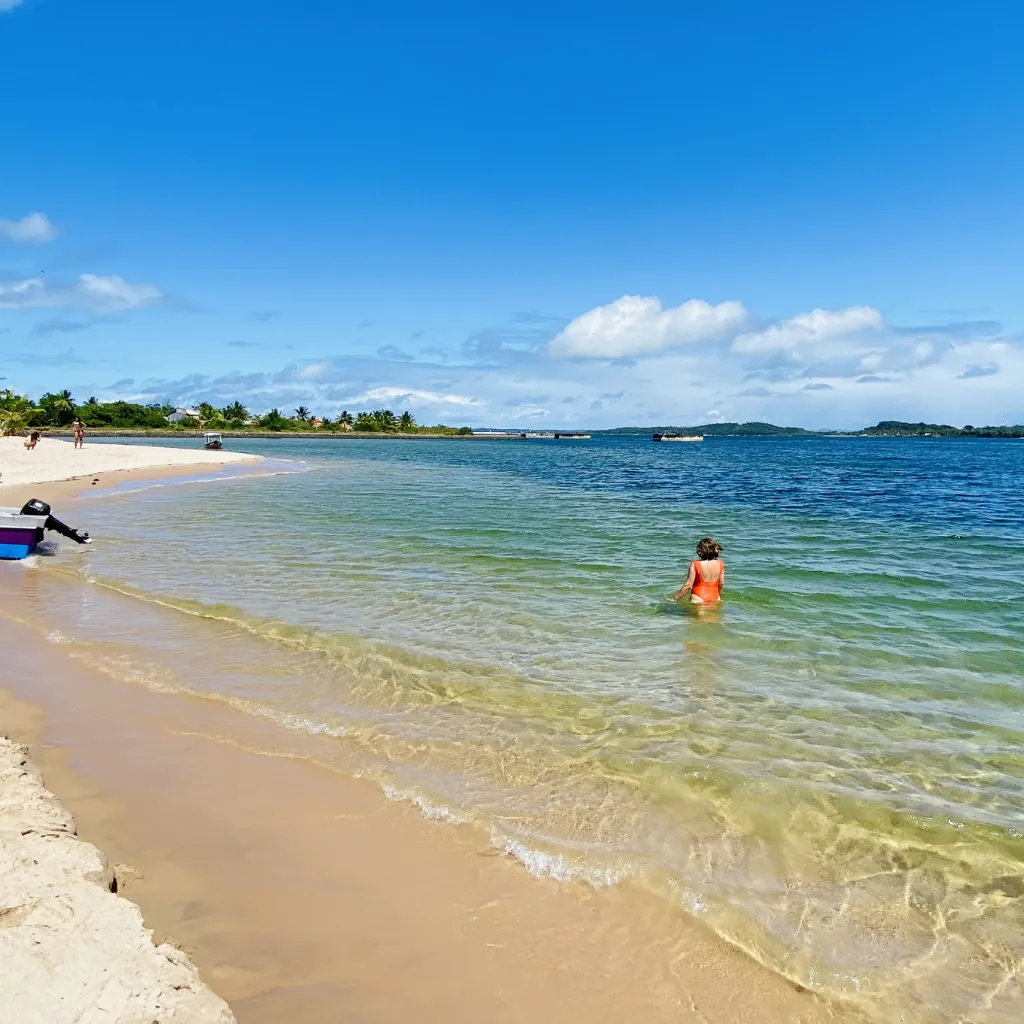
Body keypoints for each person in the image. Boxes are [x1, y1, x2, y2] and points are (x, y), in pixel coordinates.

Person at [673, 537, 725, 605]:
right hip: (715, 597)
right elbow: (721, 583)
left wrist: (675, 599)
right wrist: (716, 593)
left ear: (701, 550)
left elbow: (688, 585)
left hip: (698, 597)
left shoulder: (695, 564)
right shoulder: (720, 563)